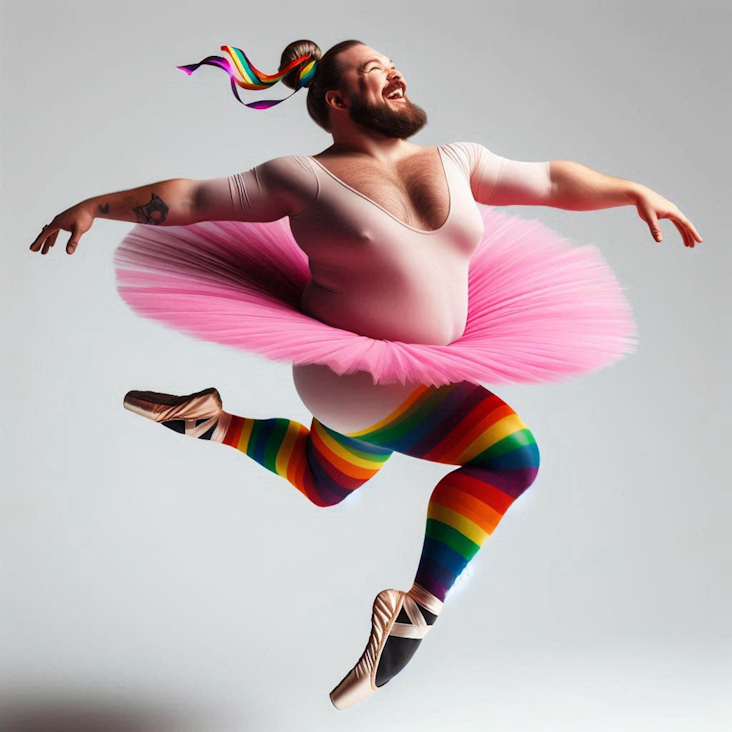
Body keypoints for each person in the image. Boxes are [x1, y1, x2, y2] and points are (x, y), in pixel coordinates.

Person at [28, 39, 702, 709]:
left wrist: (631, 191)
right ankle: (416, 612)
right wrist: (97, 204)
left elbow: (551, 180)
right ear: (337, 99)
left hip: (417, 376)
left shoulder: (458, 161)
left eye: (394, 63)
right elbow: (195, 197)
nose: (396, 71)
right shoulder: (301, 178)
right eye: (376, 69)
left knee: (325, 483)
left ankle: (214, 422)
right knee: (512, 457)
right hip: (352, 373)